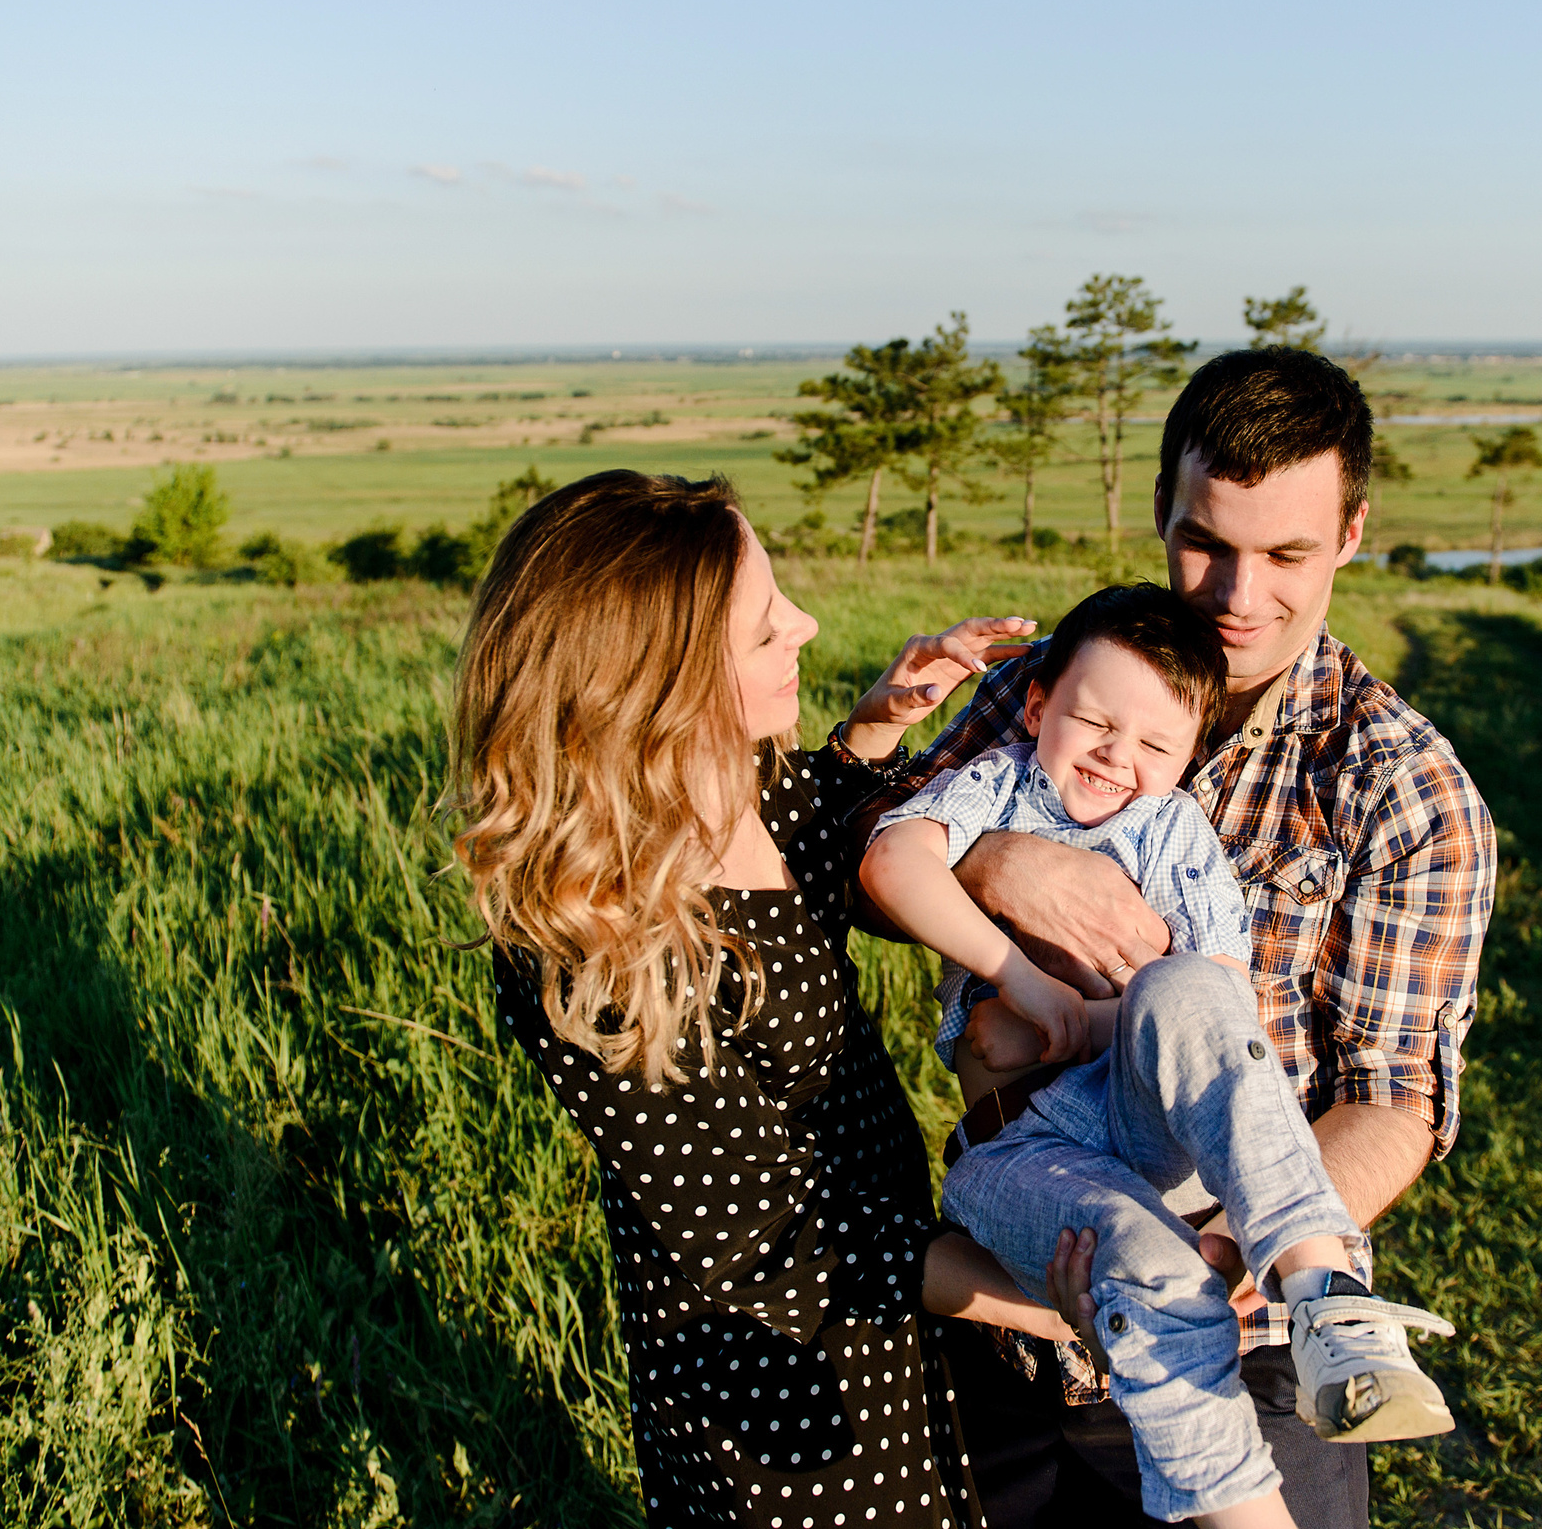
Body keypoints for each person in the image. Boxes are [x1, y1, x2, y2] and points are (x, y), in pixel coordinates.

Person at [866, 348, 1497, 1529]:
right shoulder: (1073, 679)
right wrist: (1000, 859)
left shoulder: (1405, 793)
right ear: (1162, 507)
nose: (1236, 594)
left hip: (1248, 1346)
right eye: (1206, 541)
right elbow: (868, 850)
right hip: (1011, 1291)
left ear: (1352, 533)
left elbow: (1393, 1095)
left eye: (1288, 554)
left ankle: (1325, 1312)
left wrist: (1201, 1253)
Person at [450, 468, 1084, 1528]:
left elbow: (806, 834)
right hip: (771, 1355)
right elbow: (765, 1233)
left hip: (895, 1284)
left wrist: (875, 727)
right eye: (760, 628)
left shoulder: (730, 776)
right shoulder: (591, 947)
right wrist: (1061, 1300)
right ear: (651, 681)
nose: (806, 623)